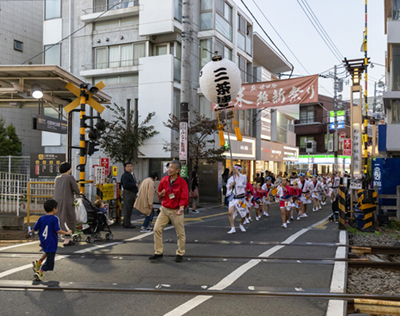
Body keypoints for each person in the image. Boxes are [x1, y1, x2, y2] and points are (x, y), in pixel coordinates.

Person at [149, 160, 188, 263]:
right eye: (169, 167)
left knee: (180, 233)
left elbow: (184, 197)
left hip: (176, 210)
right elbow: (160, 193)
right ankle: (158, 252)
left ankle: (180, 253)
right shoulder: (164, 179)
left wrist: (181, 208)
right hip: (165, 209)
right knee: (157, 229)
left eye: (172, 168)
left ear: (177, 170)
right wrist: (160, 194)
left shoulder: (182, 182)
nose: (169, 169)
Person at [32, 199, 72, 281]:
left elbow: (35, 228)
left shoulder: (41, 218)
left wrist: (31, 231)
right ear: (54, 209)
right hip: (52, 241)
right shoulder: (55, 219)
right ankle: (40, 272)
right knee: (50, 261)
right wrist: (67, 232)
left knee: (47, 251)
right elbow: (57, 230)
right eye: (57, 208)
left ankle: (39, 262)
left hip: (43, 240)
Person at [53, 162, 80, 246]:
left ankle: (56, 236)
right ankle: (67, 240)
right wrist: (79, 194)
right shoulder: (70, 178)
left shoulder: (57, 178)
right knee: (68, 219)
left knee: (58, 218)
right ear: (69, 169)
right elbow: (76, 190)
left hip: (57, 201)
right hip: (67, 201)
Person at [226, 164, 248, 234]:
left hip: (240, 198)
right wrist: (232, 184)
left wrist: (237, 181)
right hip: (233, 198)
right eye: (235, 169)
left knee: (243, 215)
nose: (236, 171)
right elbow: (228, 188)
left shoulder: (243, 177)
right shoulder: (230, 179)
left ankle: (241, 224)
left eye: (237, 169)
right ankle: (232, 228)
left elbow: (243, 184)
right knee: (230, 213)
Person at [121, 162, 139, 228]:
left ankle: (127, 222)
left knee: (130, 208)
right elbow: (125, 185)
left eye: (131, 166)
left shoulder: (132, 174)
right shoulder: (125, 175)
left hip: (132, 193)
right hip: (128, 193)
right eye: (128, 166)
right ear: (125, 168)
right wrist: (134, 185)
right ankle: (126, 223)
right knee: (127, 209)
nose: (130, 168)